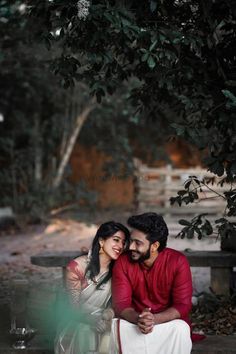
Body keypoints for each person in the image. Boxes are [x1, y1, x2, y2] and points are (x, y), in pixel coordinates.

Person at [110, 212, 193, 354]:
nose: (130, 247)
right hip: (135, 323)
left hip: (166, 325)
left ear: (154, 246)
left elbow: (183, 305)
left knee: (180, 328)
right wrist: (140, 319)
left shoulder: (178, 261)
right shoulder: (123, 261)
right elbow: (121, 304)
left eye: (138, 243)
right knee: (114, 325)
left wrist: (154, 319)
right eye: (131, 241)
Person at [54, 221, 130, 354]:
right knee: (87, 330)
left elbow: (117, 304)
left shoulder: (119, 269)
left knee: (118, 329)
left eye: (123, 243)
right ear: (101, 241)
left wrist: (108, 314)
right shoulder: (77, 267)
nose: (120, 246)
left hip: (106, 320)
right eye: (116, 240)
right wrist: (91, 319)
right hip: (77, 322)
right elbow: (73, 309)